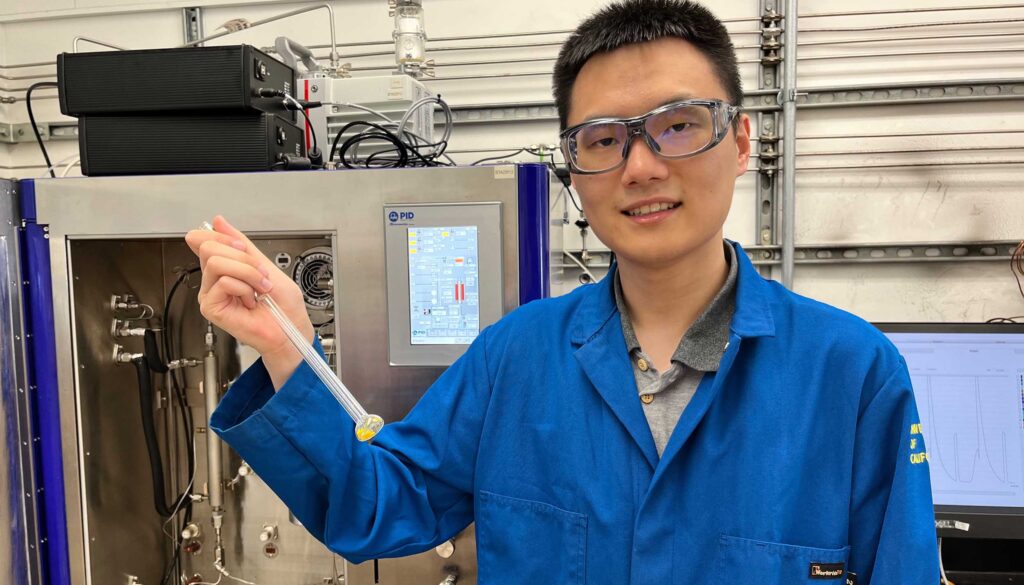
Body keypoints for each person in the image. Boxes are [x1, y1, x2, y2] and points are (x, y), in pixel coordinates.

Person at [185, 0, 940, 582]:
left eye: (679, 125)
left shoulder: (851, 375)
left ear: (741, 141)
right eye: (604, 139)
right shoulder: (514, 360)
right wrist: (288, 347)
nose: (641, 167)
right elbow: (375, 503)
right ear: (574, 170)